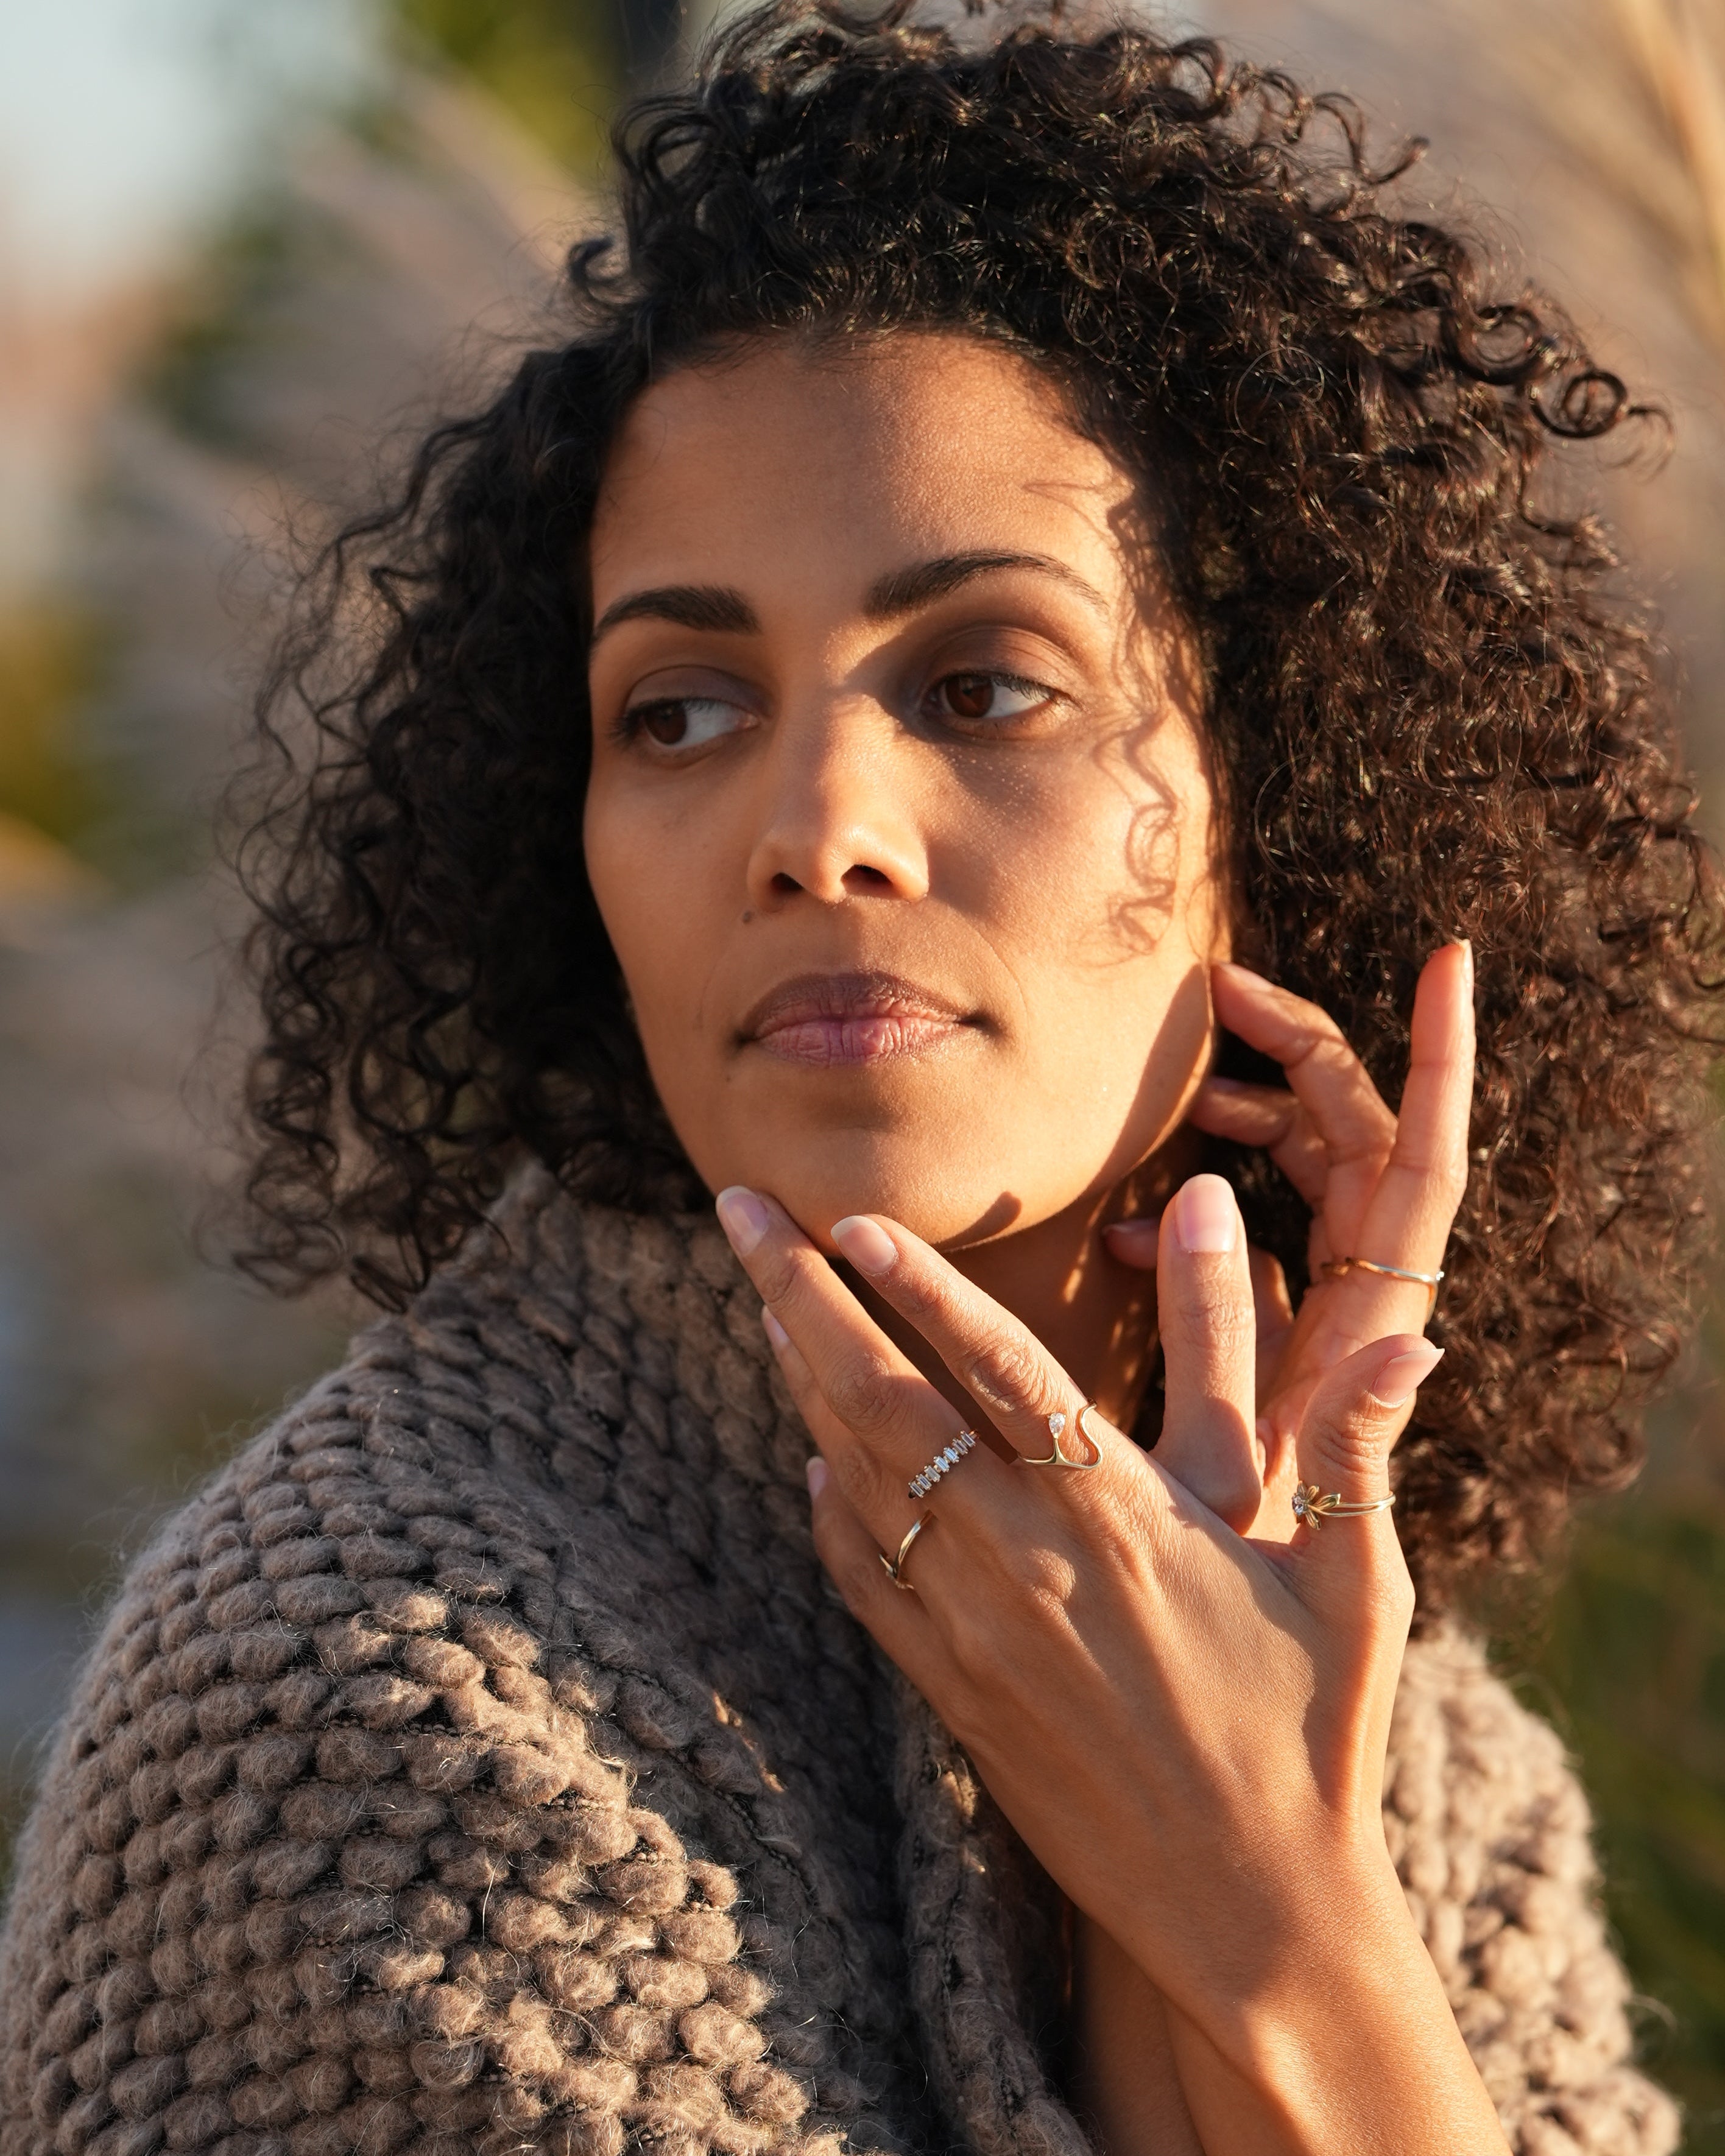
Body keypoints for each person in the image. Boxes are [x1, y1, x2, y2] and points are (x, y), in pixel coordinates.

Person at [1, 5, 1715, 2151]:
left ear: (1285, 789)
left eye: (984, 683)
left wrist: (1253, 1888)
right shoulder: (366, 1694)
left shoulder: (1429, 1753)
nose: (818, 825)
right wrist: (1272, 1928)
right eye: (680, 710)